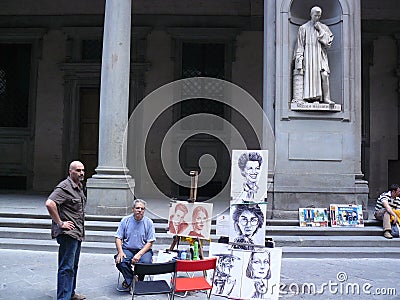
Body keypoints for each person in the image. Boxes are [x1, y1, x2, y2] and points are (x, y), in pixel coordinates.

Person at [45, 161, 87, 300]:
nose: (81, 173)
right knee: (66, 267)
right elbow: (50, 203)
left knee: (73, 266)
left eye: (82, 170)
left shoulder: (78, 186)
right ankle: (63, 297)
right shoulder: (64, 187)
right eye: (78, 170)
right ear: (70, 172)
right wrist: (60, 223)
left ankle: (71, 293)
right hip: (68, 234)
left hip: (77, 233)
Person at [294, 6, 334, 104]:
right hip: (308, 56)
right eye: (315, 15)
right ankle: (310, 98)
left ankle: (326, 98)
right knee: (309, 75)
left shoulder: (324, 27)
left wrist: (320, 29)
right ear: (311, 15)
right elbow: (300, 45)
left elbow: (328, 42)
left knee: (324, 75)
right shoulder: (303, 28)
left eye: (319, 15)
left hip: (320, 56)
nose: (317, 17)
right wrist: (299, 58)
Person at [114, 199, 156, 290]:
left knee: (145, 263)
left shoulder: (149, 222)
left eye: (142, 208)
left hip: (143, 250)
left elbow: (150, 242)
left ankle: (135, 280)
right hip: (127, 249)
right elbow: (118, 237)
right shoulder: (125, 220)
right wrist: (120, 252)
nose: (140, 210)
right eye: (137, 208)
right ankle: (133, 279)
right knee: (121, 261)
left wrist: (139, 254)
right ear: (133, 209)